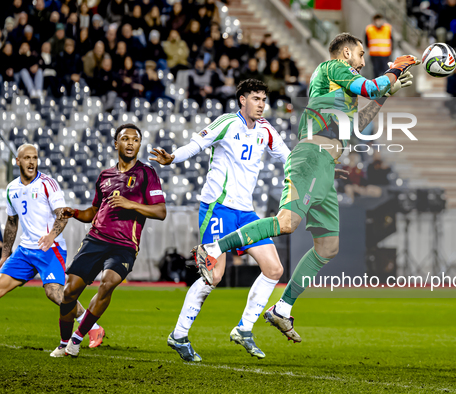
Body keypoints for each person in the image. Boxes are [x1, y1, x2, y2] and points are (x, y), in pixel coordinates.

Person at [193, 33, 417, 341]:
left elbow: (356, 125)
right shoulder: (332, 67)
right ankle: (213, 248)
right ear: (347, 52)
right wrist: (393, 70)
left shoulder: (343, 90)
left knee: (328, 247)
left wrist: (384, 94)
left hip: (325, 165)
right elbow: (368, 86)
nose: (363, 61)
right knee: (287, 223)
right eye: (361, 55)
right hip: (311, 157)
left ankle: (282, 309)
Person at [150, 79, 290, 361]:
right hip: (218, 209)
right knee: (214, 276)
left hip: (246, 213)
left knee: (274, 269)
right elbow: (196, 144)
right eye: (256, 98)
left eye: (264, 99)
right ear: (242, 100)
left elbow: (289, 158)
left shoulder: (266, 130)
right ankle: (178, 335)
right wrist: (172, 158)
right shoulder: (227, 123)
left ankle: (244, 328)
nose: (261, 104)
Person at [53, 124, 166, 358]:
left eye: (136, 139)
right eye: (125, 138)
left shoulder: (147, 173)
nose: (131, 143)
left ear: (139, 145)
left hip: (124, 245)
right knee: (69, 293)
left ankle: (77, 338)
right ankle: (63, 342)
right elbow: (93, 212)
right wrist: (74, 212)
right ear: (116, 144)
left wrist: (131, 204)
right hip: (95, 239)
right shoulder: (105, 176)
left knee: (108, 283)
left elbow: (161, 212)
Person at [0, 144, 104, 351]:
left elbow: (62, 214)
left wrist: (51, 235)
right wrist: (5, 254)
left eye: (35, 158)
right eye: (27, 158)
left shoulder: (48, 184)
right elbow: (12, 222)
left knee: (55, 293)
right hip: (25, 251)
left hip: (50, 249)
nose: (31, 162)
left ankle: (93, 327)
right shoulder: (12, 188)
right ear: (18, 161)